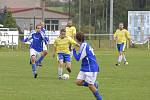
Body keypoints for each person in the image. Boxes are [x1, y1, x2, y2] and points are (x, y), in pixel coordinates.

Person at [73, 32, 102, 100]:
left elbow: (78, 58)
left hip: (91, 68)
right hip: (85, 67)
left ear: (77, 39)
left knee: (90, 86)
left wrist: (73, 50)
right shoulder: (84, 44)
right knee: (78, 82)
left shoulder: (84, 46)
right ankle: (95, 84)